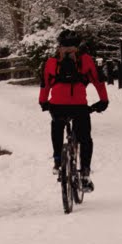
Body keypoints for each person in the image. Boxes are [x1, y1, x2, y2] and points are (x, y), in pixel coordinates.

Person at [39, 30, 109, 191]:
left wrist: (43, 102)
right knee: (85, 138)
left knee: (57, 126)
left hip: (57, 105)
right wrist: (103, 101)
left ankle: (57, 161)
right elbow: (98, 81)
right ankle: (84, 174)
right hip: (79, 106)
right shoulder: (85, 60)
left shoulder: (51, 62)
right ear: (78, 45)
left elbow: (45, 84)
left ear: (59, 46)